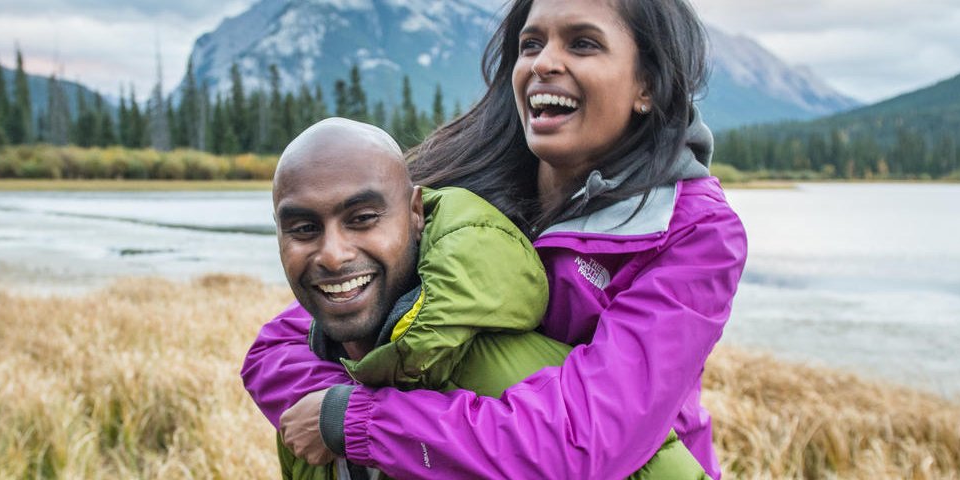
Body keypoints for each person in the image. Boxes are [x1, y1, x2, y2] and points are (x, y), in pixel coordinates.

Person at [241, 0, 747, 477]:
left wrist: (360, 422)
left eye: (583, 44)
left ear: (648, 86)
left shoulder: (693, 232)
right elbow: (282, 345)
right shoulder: (459, 182)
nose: (544, 62)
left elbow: (584, 441)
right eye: (531, 44)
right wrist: (334, 410)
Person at [265, 118, 705, 479]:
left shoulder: (529, 384)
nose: (333, 255)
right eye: (303, 229)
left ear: (416, 215)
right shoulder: (317, 400)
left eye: (362, 219)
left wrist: (356, 423)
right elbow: (268, 348)